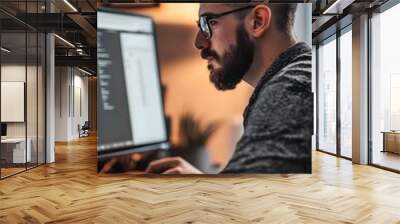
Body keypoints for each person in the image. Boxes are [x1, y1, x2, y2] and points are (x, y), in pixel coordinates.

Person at [145, 2, 313, 174]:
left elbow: (242, 199)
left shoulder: (287, 93)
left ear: (258, 21)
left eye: (209, 22)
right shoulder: (295, 79)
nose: (199, 42)